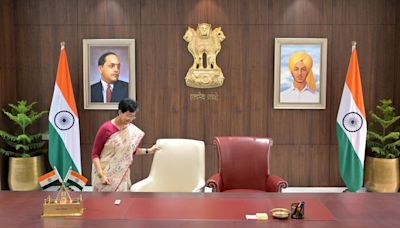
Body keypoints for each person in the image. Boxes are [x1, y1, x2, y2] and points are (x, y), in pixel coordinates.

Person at [91, 98, 159, 192]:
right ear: (119, 112)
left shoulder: (130, 129)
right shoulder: (106, 128)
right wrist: (101, 175)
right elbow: (95, 154)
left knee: (121, 203)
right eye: (128, 116)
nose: (130, 119)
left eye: (133, 116)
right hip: (104, 174)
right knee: (103, 204)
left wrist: (149, 151)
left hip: (121, 175)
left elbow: (131, 150)